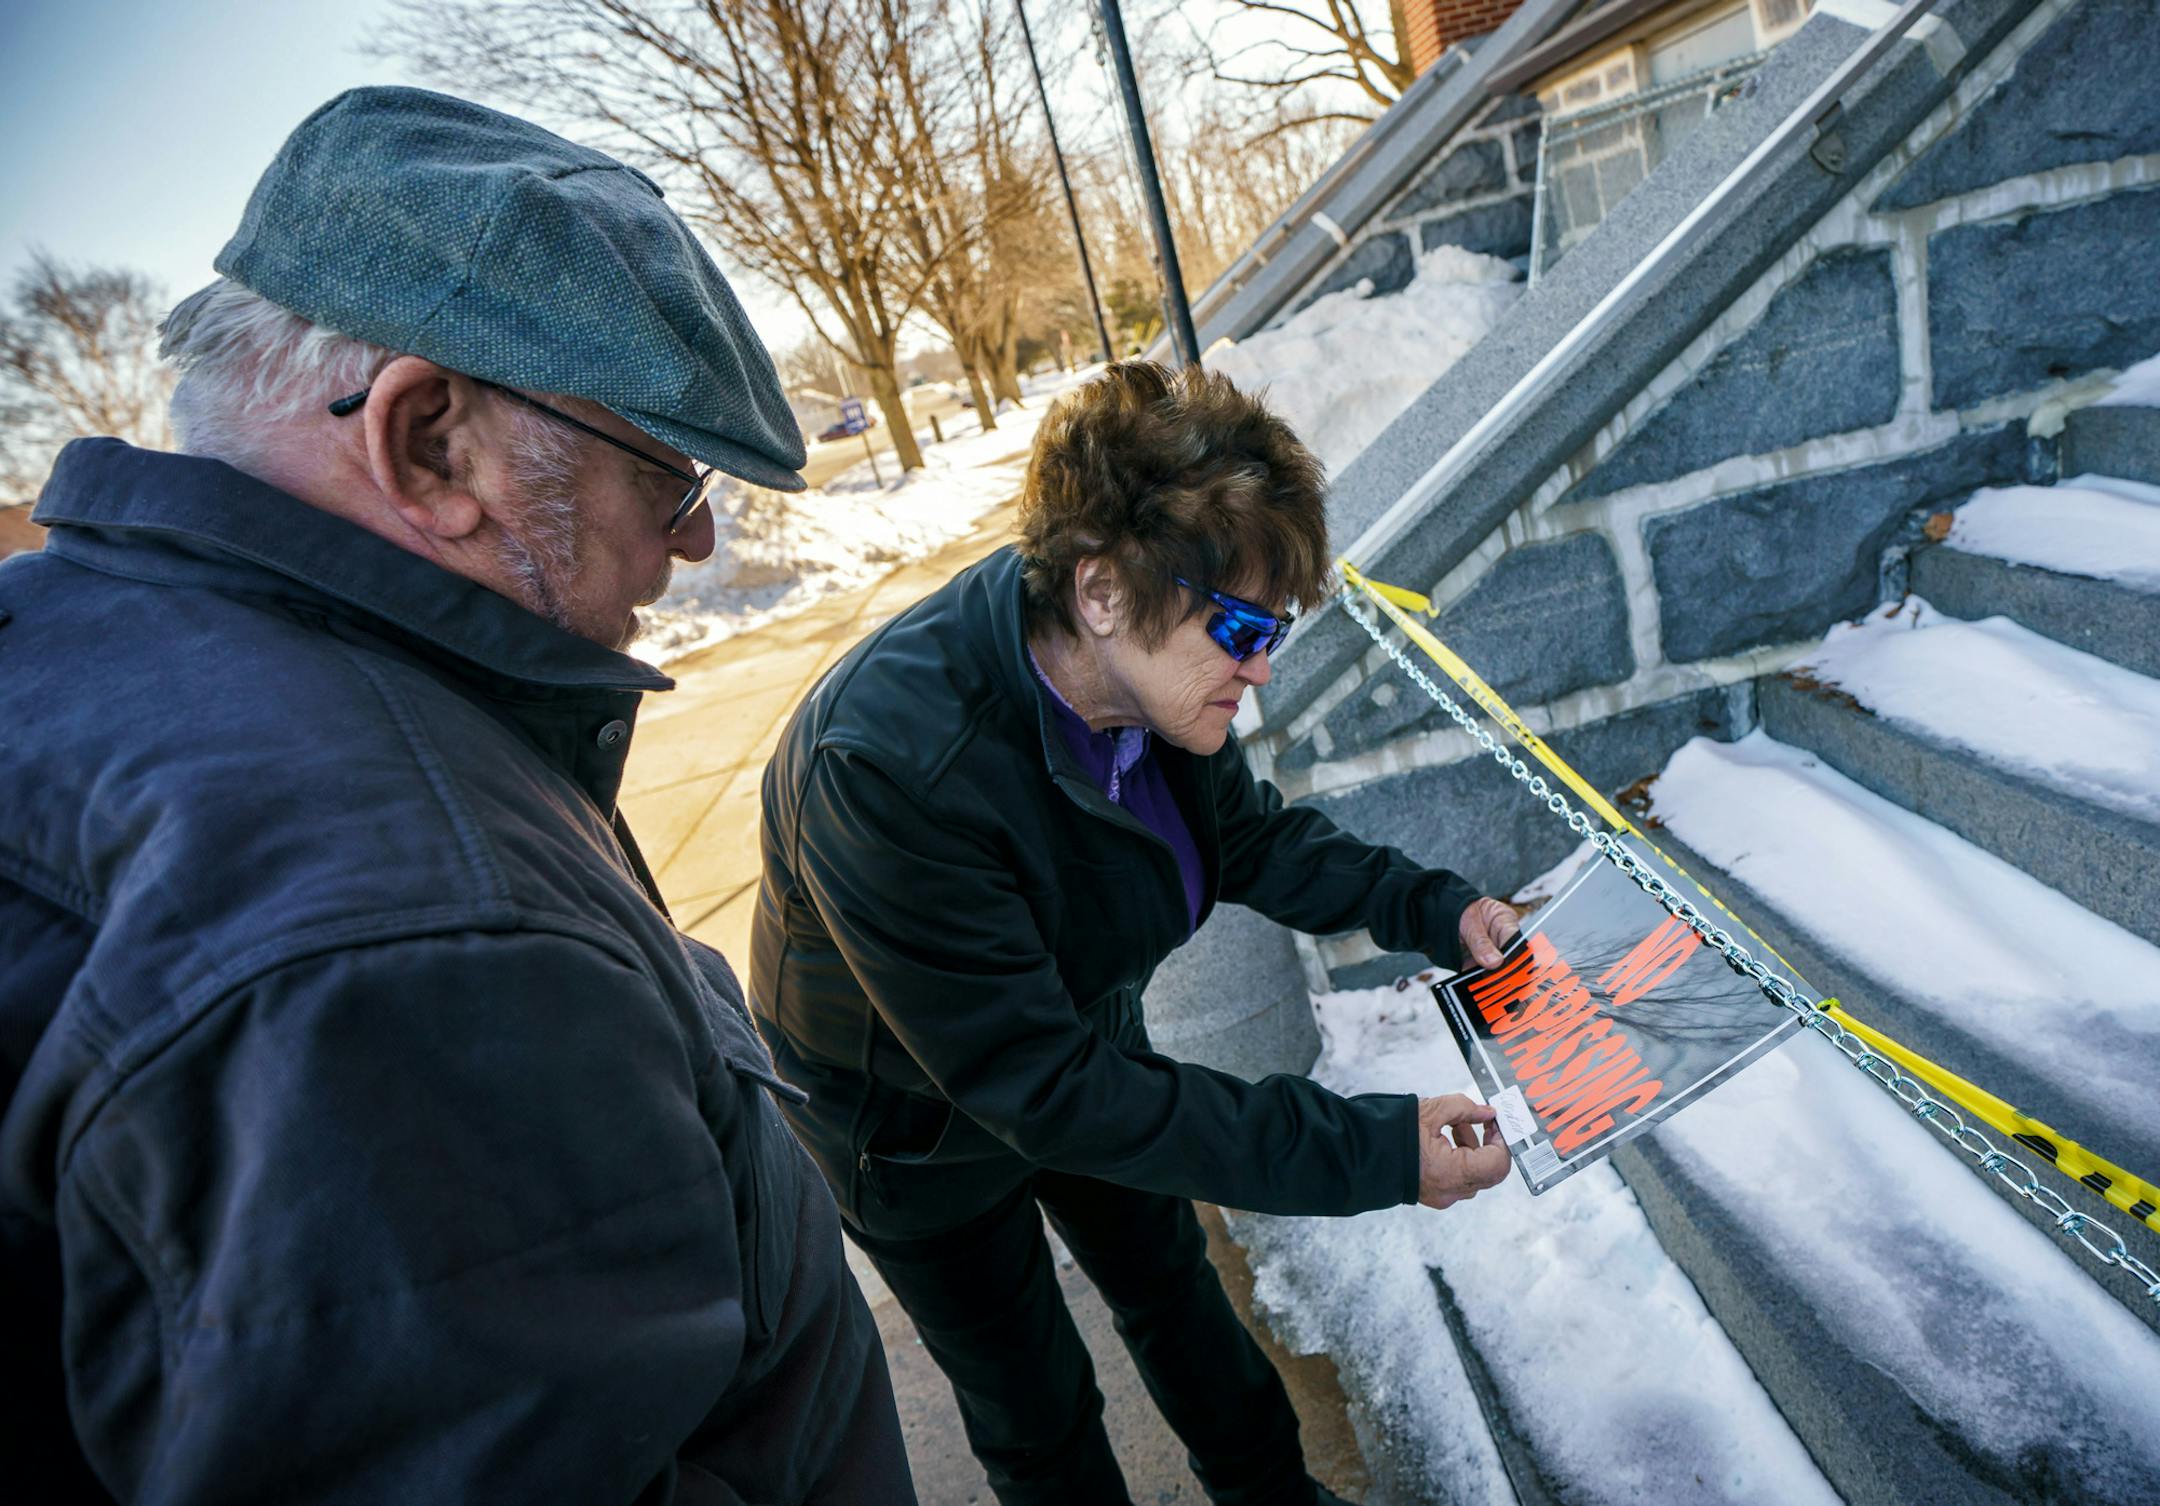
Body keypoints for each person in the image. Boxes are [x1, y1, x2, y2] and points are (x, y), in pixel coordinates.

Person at [0, 87, 911, 1504]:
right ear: (433, 443)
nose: (698, 537)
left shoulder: (87, 650)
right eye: (665, 475)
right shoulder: (415, 939)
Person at [750, 360, 1518, 1506]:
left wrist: (1440, 909)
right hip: (907, 1123)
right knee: (1034, 1402)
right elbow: (1044, 1093)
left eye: (1276, 633)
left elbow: (1250, 843)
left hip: (1072, 1034)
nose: (1258, 672)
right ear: (1102, 590)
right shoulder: (888, 766)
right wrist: (1372, 1151)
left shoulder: (1158, 684)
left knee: (1173, 1288)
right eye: (1242, 630)